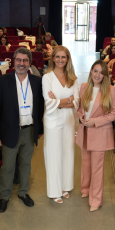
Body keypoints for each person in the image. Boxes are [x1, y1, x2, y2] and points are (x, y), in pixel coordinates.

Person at [0, 47, 44, 212]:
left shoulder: (37, 82)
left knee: (26, 165)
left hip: (29, 130)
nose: (21, 64)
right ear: (13, 61)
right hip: (9, 131)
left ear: (29, 63)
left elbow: (40, 108)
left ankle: (23, 193)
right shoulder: (3, 81)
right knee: (7, 166)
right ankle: (4, 196)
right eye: (19, 60)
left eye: (25, 60)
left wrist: (39, 129)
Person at [76, 60, 115, 211]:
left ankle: (96, 200)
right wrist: (80, 116)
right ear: (91, 72)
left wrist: (94, 121)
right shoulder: (84, 87)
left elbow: (114, 114)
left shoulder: (111, 90)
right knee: (86, 164)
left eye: (102, 72)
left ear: (105, 75)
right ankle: (85, 189)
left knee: (97, 168)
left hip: (99, 133)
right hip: (85, 132)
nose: (98, 75)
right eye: (95, 71)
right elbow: (80, 108)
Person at [42, 46, 80, 203]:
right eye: (57, 57)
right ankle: (54, 191)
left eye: (63, 57)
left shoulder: (73, 78)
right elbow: (49, 103)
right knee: (53, 155)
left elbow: (77, 101)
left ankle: (65, 186)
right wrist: (68, 99)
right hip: (53, 120)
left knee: (68, 153)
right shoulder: (47, 77)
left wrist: (61, 102)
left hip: (69, 120)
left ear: (68, 59)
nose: (60, 60)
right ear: (53, 58)